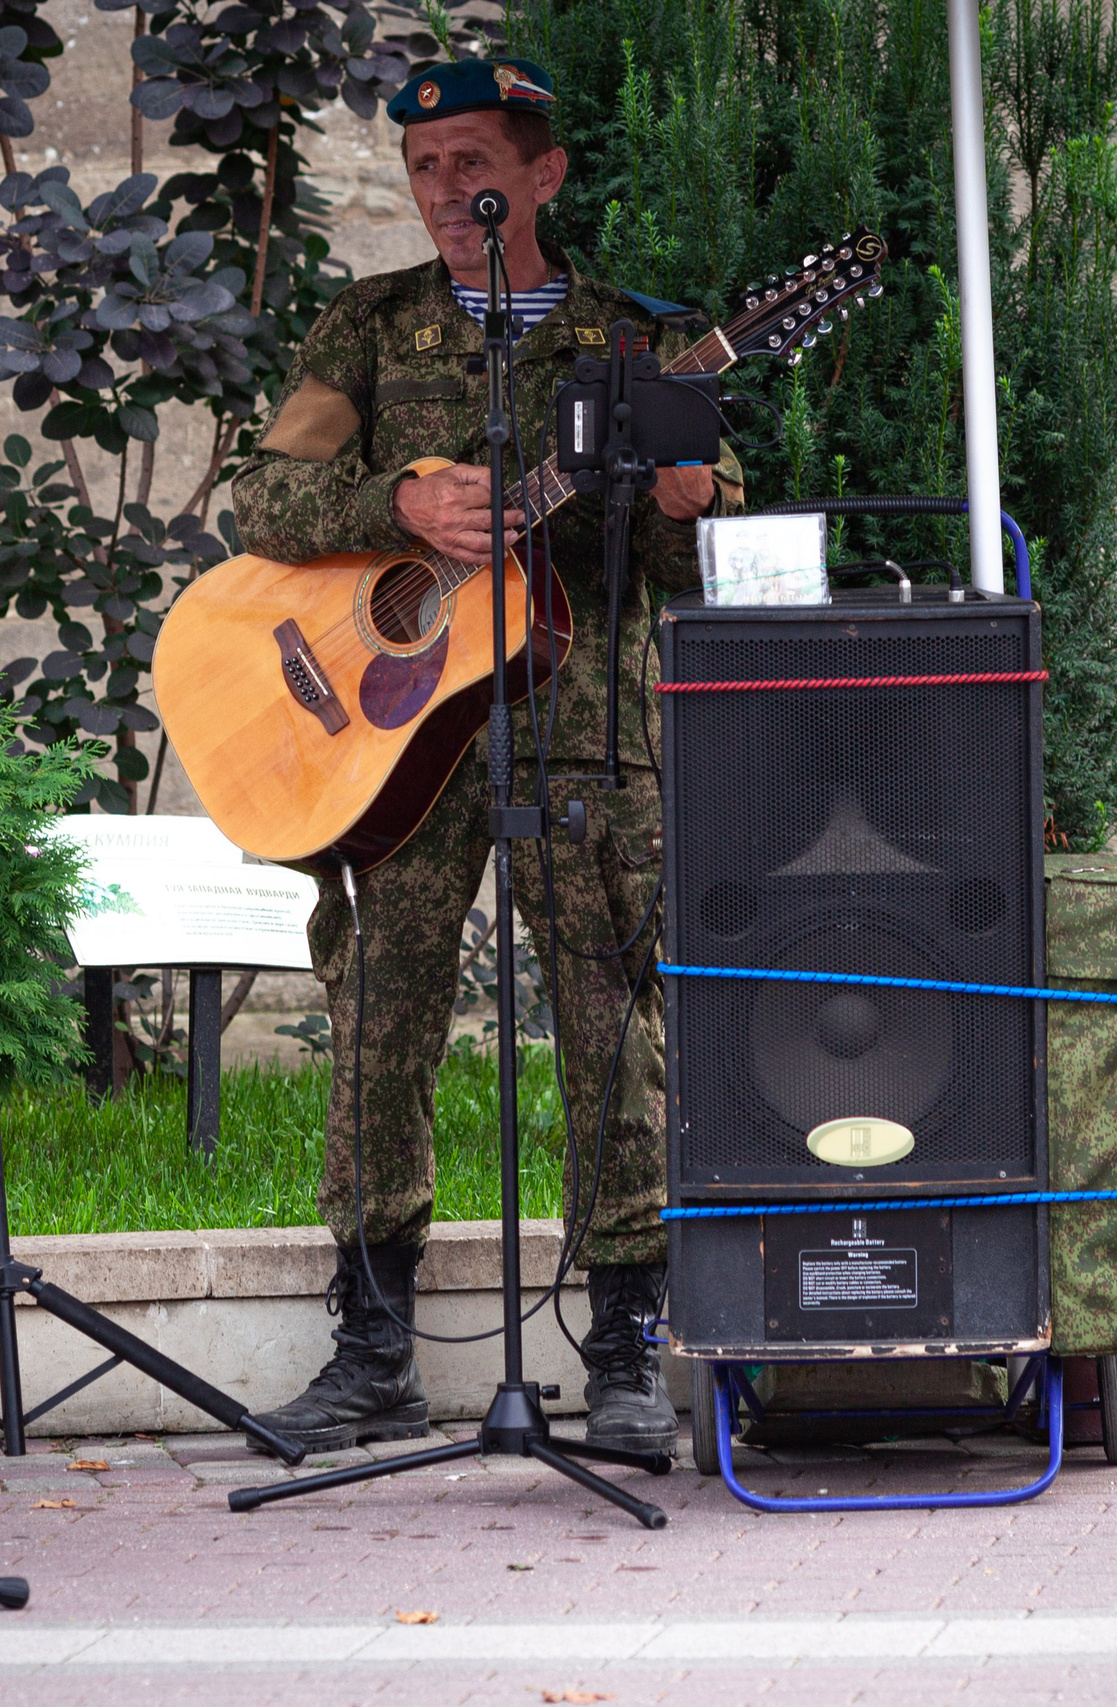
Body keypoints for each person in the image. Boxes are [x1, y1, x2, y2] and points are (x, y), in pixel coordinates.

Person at [230, 57, 740, 1457]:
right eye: (425, 168)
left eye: (473, 163)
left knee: (611, 1024)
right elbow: (260, 497)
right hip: (396, 733)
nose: (447, 191)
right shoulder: (368, 325)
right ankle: (370, 1350)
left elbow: (702, 559)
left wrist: (683, 499)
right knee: (379, 1013)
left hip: (584, 731)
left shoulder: (639, 340)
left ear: (543, 174)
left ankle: (624, 1353)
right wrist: (396, 503)